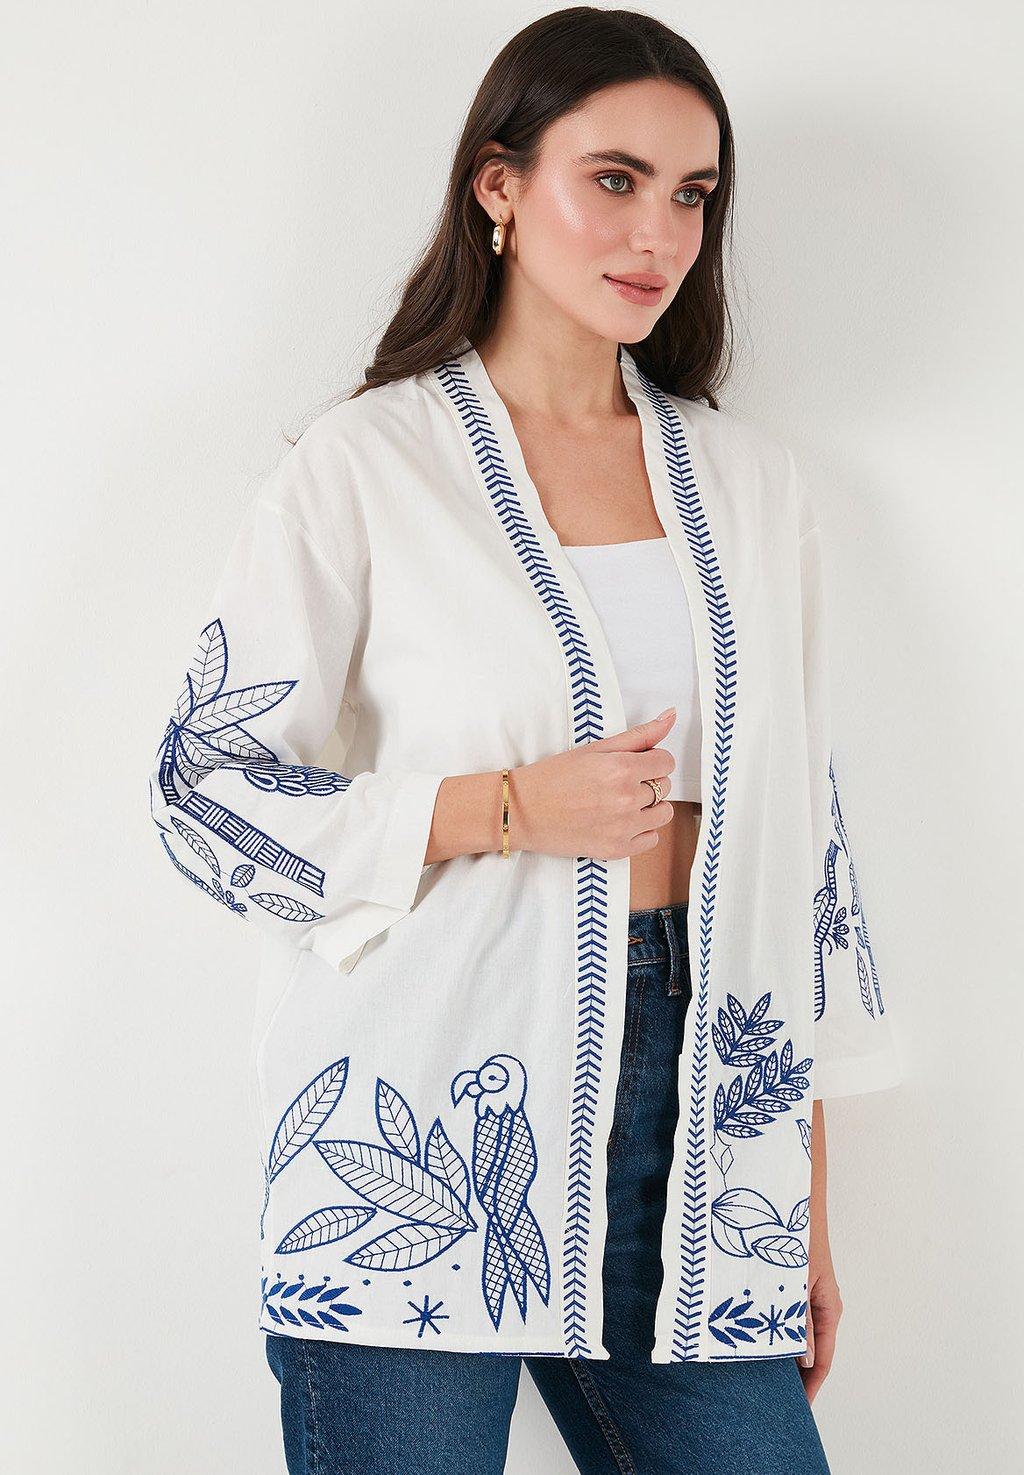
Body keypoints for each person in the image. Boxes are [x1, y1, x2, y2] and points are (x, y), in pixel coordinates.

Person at [148, 8, 903, 1472]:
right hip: (427, 1119)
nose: (658, 234)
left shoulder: (752, 487)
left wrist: (797, 1203)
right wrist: (505, 807)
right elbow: (203, 790)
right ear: (498, 186)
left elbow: (804, 857)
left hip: (704, 1125)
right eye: (612, 179)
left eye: (691, 194)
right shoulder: (367, 467)